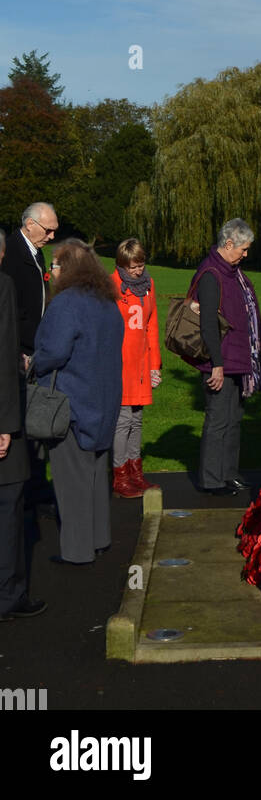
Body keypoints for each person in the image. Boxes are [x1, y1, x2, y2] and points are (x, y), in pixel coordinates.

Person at [31, 240, 123, 565]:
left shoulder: (66, 303)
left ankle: (77, 551)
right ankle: (98, 538)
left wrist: (31, 363)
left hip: (72, 403)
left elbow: (54, 351)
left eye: (55, 265)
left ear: (68, 268)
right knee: (97, 474)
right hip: (104, 401)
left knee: (71, 482)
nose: (51, 271)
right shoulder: (108, 302)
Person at [190, 220, 261, 497]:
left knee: (233, 419)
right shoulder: (211, 274)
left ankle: (229, 473)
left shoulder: (233, 273)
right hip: (220, 360)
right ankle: (211, 479)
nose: (246, 254)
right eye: (243, 249)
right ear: (229, 243)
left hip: (238, 359)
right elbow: (208, 323)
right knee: (218, 420)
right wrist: (216, 365)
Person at [0, 228, 46, 620]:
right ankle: (9, 595)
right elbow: (5, 359)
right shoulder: (4, 287)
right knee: (10, 509)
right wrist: (7, 425)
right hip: (3, 423)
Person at [0, 201, 58, 508]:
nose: (51, 236)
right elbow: (10, 309)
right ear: (30, 224)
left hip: (35, 347)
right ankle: (27, 489)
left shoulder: (35, 251)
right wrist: (19, 350)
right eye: (48, 230)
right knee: (22, 420)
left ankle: (35, 484)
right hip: (20, 350)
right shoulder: (11, 253)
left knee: (35, 419)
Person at [110, 238, 161, 498]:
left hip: (141, 363)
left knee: (137, 418)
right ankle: (120, 474)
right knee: (123, 420)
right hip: (119, 363)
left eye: (140, 265)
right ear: (121, 265)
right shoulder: (110, 285)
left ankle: (135, 472)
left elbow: (151, 326)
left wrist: (155, 365)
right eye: (132, 267)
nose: (137, 271)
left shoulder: (148, 285)